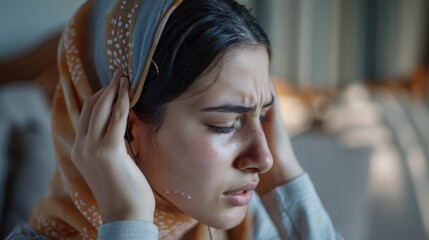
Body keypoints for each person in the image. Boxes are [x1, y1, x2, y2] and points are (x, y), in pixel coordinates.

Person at [7, 0, 343, 239]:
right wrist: (127, 220)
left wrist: (286, 174)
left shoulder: (249, 225)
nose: (264, 158)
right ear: (122, 129)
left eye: (265, 115)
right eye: (223, 124)